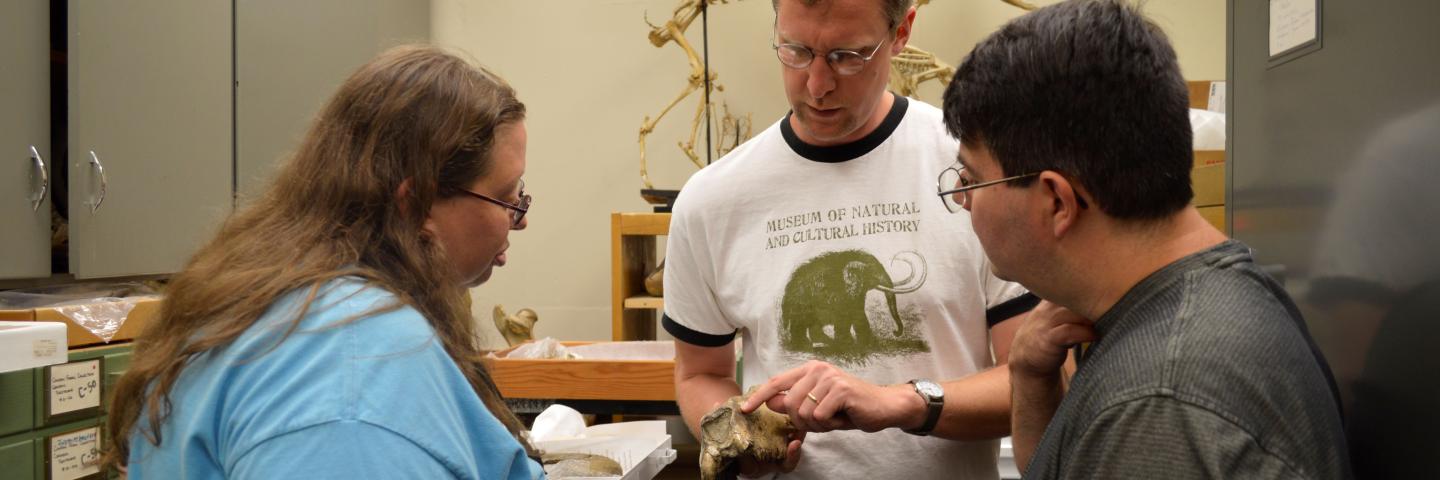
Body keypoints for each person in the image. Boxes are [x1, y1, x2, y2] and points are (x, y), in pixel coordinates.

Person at [939, 1, 1351, 478]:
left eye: (971, 180)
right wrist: (1030, 380)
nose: (962, 198)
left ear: (1056, 201)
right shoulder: (1208, 294)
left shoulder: (1157, 406)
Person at [105, 45, 542, 479]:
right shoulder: (353, 373)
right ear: (417, 204)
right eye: (506, 199)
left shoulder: (284, 301)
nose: (517, 222)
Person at [663, 0, 1036, 478]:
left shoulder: (974, 171)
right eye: (794, 50)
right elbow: (700, 373)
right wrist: (739, 439)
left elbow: (1036, 379)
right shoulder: (713, 199)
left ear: (901, 32)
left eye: (848, 56)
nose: (817, 85)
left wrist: (904, 402)